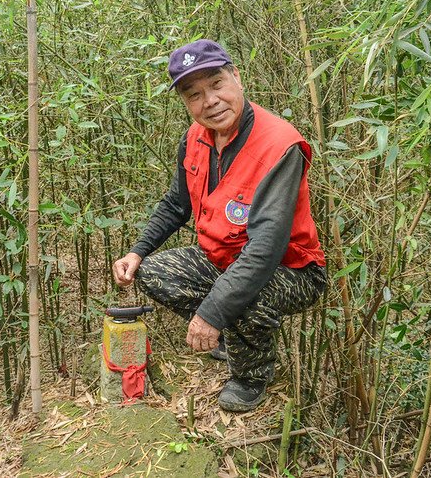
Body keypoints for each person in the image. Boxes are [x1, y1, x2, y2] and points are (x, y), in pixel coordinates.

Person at [112, 39, 327, 412]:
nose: (209, 101)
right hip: (223, 255)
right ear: (185, 102)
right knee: (153, 273)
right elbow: (177, 204)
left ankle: (251, 377)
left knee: (244, 296)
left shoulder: (279, 145)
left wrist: (212, 313)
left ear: (237, 78)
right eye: (193, 94)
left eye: (216, 84)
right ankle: (234, 336)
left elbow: (264, 251)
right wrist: (137, 250)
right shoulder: (195, 138)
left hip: (291, 268)